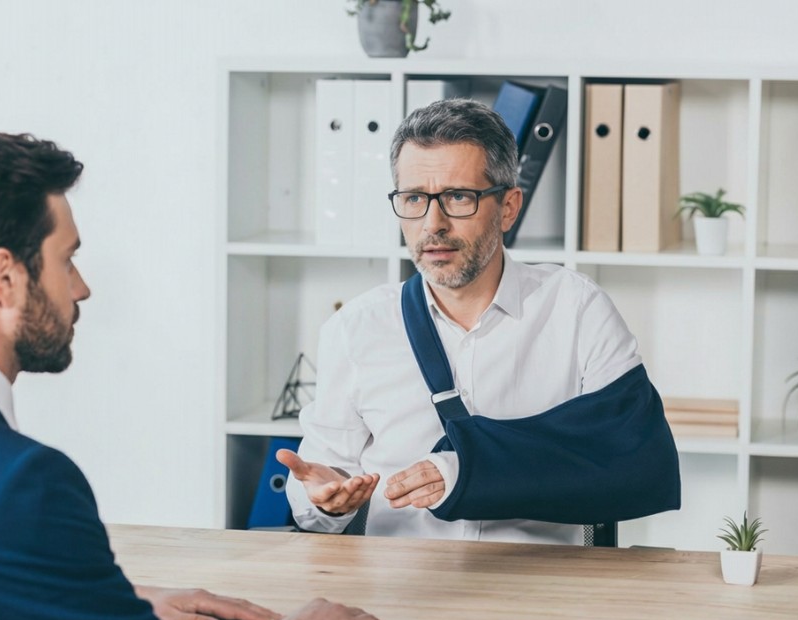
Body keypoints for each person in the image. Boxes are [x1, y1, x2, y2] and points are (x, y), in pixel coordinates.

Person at [0, 129, 382, 620]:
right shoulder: (21, 484)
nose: (82, 289)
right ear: (5, 278)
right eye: (67, 260)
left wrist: (100, 601)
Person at [280, 98, 679, 544]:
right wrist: (324, 498)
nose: (434, 223)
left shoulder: (576, 310)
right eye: (414, 198)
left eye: (458, 197)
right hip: (399, 592)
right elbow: (317, 492)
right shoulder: (355, 328)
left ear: (508, 207)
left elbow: (638, 461)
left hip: (541, 594)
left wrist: (462, 469)